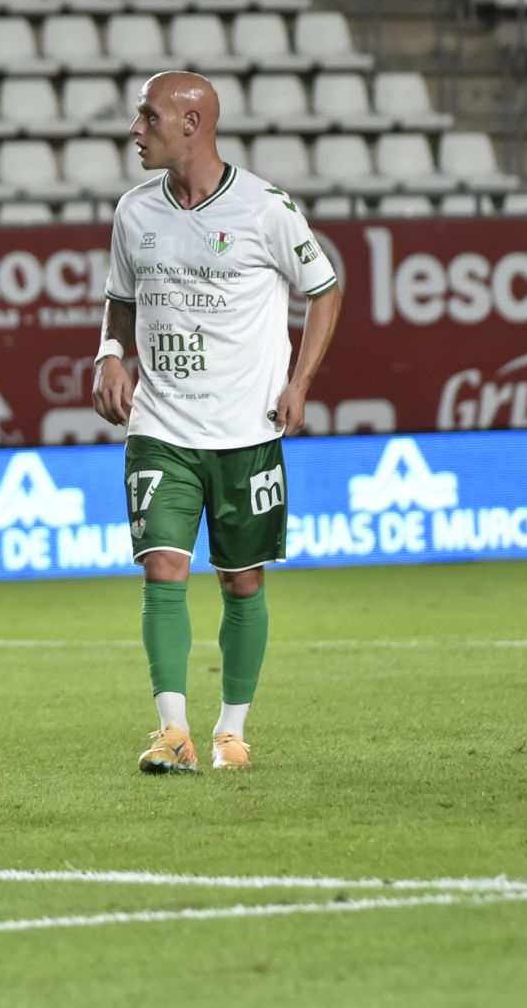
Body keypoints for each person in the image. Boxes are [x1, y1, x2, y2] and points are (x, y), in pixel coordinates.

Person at [93, 71, 342, 774]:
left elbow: (323, 291)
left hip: (247, 430)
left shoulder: (267, 209)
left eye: (148, 117)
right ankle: (173, 731)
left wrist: (301, 383)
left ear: (193, 124)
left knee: (242, 582)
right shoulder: (133, 213)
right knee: (163, 568)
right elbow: (120, 300)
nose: (136, 130)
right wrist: (110, 354)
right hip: (161, 426)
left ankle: (232, 731)